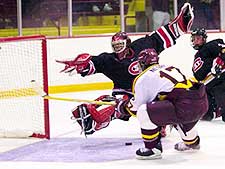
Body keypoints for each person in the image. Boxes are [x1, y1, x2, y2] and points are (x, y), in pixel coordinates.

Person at [56, 3, 194, 136]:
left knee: (163, 103)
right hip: (126, 92)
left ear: (127, 44)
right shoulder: (109, 60)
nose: (117, 48)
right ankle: (94, 123)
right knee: (111, 104)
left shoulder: (142, 45)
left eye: (120, 45)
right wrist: (81, 66)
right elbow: (93, 63)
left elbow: (161, 36)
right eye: (115, 46)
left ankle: (161, 125)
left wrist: (181, 24)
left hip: (148, 89)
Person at [116, 48, 208, 160]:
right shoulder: (169, 67)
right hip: (200, 101)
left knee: (144, 111)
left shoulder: (144, 77)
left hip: (183, 106)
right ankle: (192, 142)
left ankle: (152, 148)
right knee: (176, 111)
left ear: (142, 63)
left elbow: (137, 108)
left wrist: (123, 106)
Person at [191, 28, 225, 121]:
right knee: (207, 115)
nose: (196, 41)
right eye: (194, 39)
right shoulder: (198, 55)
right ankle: (217, 109)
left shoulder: (210, 46)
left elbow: (223, 49)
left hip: (219, 81)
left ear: (204, 39)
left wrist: (220, 61)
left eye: (198, 38)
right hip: (208, 86)